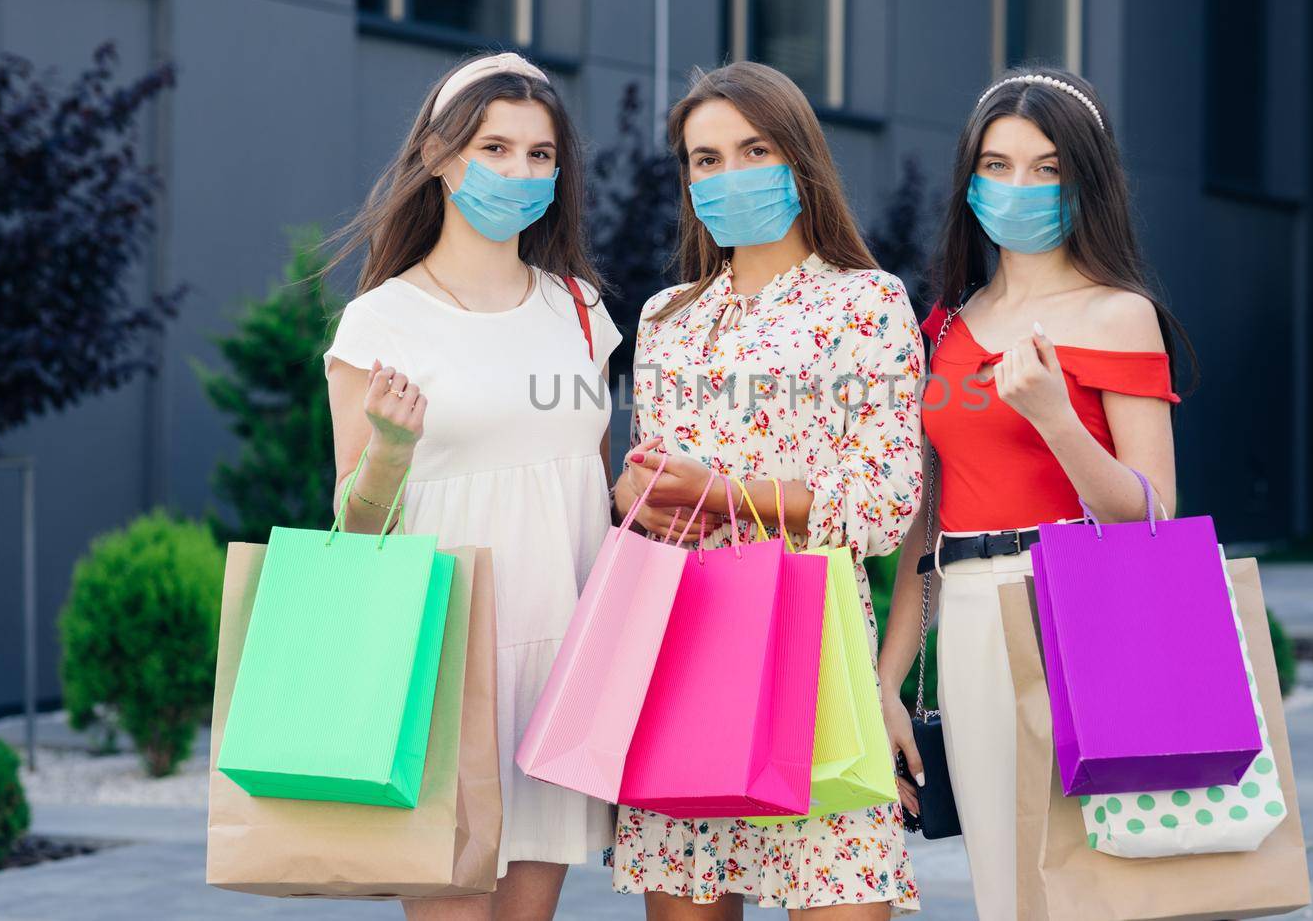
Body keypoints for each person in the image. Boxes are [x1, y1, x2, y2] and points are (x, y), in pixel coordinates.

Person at [608, 61, 924, 918]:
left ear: (800, 160)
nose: (727, 174)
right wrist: (635, 494)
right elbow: (645, 496)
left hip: (814, 651)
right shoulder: (668, 317)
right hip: (686, 653)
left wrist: (721, 488)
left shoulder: (867, 303)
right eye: (704, 159)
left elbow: (887, 501)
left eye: (753, 149)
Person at [877, 68, 1192, 921]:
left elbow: (1154, 507)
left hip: (1087, 609)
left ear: (1086, 179)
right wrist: (889, 679)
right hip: (972, 617)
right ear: (969, 179)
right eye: (998, 164)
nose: (1019, 187)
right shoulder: (948, 322)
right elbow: (924, 522)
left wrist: (1057, 418)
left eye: (1048, 168)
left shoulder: (1119, 313)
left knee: (1102, 886)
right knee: (1008, 889)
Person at [322, 52, 623, 921]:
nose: (519, 171)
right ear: (442, 157)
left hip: (563, 663)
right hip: (446, 663)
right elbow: (354, 526)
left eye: (539, 153)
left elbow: (595, 484)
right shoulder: (381, 319)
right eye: (495, 148)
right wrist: (388, 449)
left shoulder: (578, 308)